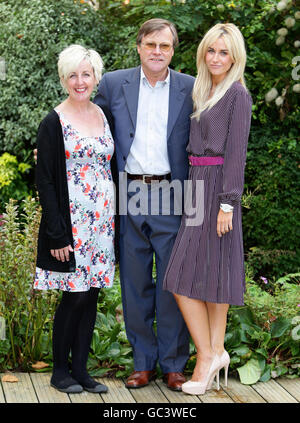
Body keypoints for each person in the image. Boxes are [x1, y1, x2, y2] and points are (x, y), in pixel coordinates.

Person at [94, 18, 195, 391]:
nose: (157, 52)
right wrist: (58, 148)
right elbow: (91, 123)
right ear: (138, 46)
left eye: (165, 46)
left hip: (173, 193)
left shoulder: (190, 88)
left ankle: (173, 364)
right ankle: (142, 363)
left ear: (173, 50)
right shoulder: (112, 84)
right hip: (129, 192)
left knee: (173, 283)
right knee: (135, 283)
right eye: (151, 44)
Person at [163, 23, 252, 395]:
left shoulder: (237, 94)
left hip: (218, 191)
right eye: (211, 51)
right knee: (189, 276)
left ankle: (207, 355)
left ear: (235, 58)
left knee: (204, 274)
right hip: (196, 189)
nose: (216, 58)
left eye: (224, 52)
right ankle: (215, 351)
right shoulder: (203, 89)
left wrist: (229, 203)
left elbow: (236, 154)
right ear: (204, 53)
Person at [34, 44, 115, 394]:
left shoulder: (103, 113)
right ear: (64, 79)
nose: (80, 81)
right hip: (72, 226)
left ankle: (82, 371)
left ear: (96, 77)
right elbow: (46, 181)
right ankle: (59, 371)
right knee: (74, 296)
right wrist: (57, 234)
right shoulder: (53, 122)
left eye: (86, 74)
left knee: (92, 293)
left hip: (102, 224)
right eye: (73, 75)